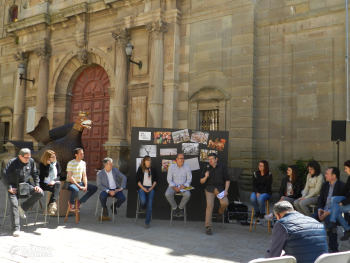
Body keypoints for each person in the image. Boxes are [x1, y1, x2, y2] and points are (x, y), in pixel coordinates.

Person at [1, 148, 44, 237]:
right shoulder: (12, 162)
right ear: (20, 156)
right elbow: (4, 174)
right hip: (13, 186)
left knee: (40, 193)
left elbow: (35, 174)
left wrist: (37, 185)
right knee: (14, 204)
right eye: (26, 158)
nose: (27, 159)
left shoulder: (31, 161)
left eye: (29, 157)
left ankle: (23, 207)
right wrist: (9, 187)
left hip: (26, 185)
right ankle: (16, 228)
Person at [311, 167, 345, 253]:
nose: (325, 175)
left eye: (327, 174)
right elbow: (320, 199)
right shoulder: (325, 185)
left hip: (336, 213)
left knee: (329, 220)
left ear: (334, 176)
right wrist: (319, 209)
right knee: (311, 220)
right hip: (323, 209)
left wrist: (329, 212)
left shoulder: (342, 186)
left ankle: (334, 249)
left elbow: (342, 203)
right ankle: (315, 244)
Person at [200, 152, 230, 235]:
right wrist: (206, 177)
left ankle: (220, 212)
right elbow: (201, 181)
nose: (210, 161)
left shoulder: (222, 167)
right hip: (209, 189)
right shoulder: (206, 167)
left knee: (225, 202)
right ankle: (208, 227)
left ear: (216, 159)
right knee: (209, 205)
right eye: (209, 159)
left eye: (211, 159)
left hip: (219, 188)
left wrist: (226, 190)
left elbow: (227, 180)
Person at [328, 160, 350, 241]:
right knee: (334, 199)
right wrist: (336, 198)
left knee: (335, 210)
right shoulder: (349, 178)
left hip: (348, 201)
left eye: (346, 168)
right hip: (348, 200)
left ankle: (347, 229)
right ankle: (332, 222)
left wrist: (343, 202)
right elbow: (344, 191)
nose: (345, 170)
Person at [136, 155, 158, 228]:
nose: (149, 161)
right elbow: (137, 181)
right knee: (143, 201)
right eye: (148, 160)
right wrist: (143, 188)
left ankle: (147, 222)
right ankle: (142, 207)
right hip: (142, 187)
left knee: (150, 204)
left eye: (150, 160)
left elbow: (156, 180)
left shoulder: (153, 169)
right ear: (144, 162)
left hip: (151, 187)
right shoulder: (140, 169)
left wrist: (151, 188)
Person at [39, 150, 62, 215]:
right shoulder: (42, 164)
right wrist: (48, 165)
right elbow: (45, 175)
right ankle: (51, 205)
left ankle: (50, 205)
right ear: (48, 158)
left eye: (55, 156)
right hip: (45, 184)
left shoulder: (56, 164)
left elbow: (59, 176)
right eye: (53, 157)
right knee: (57, 190)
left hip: (53, 183)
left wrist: (53, 181)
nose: (55, 158)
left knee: (58, 184)